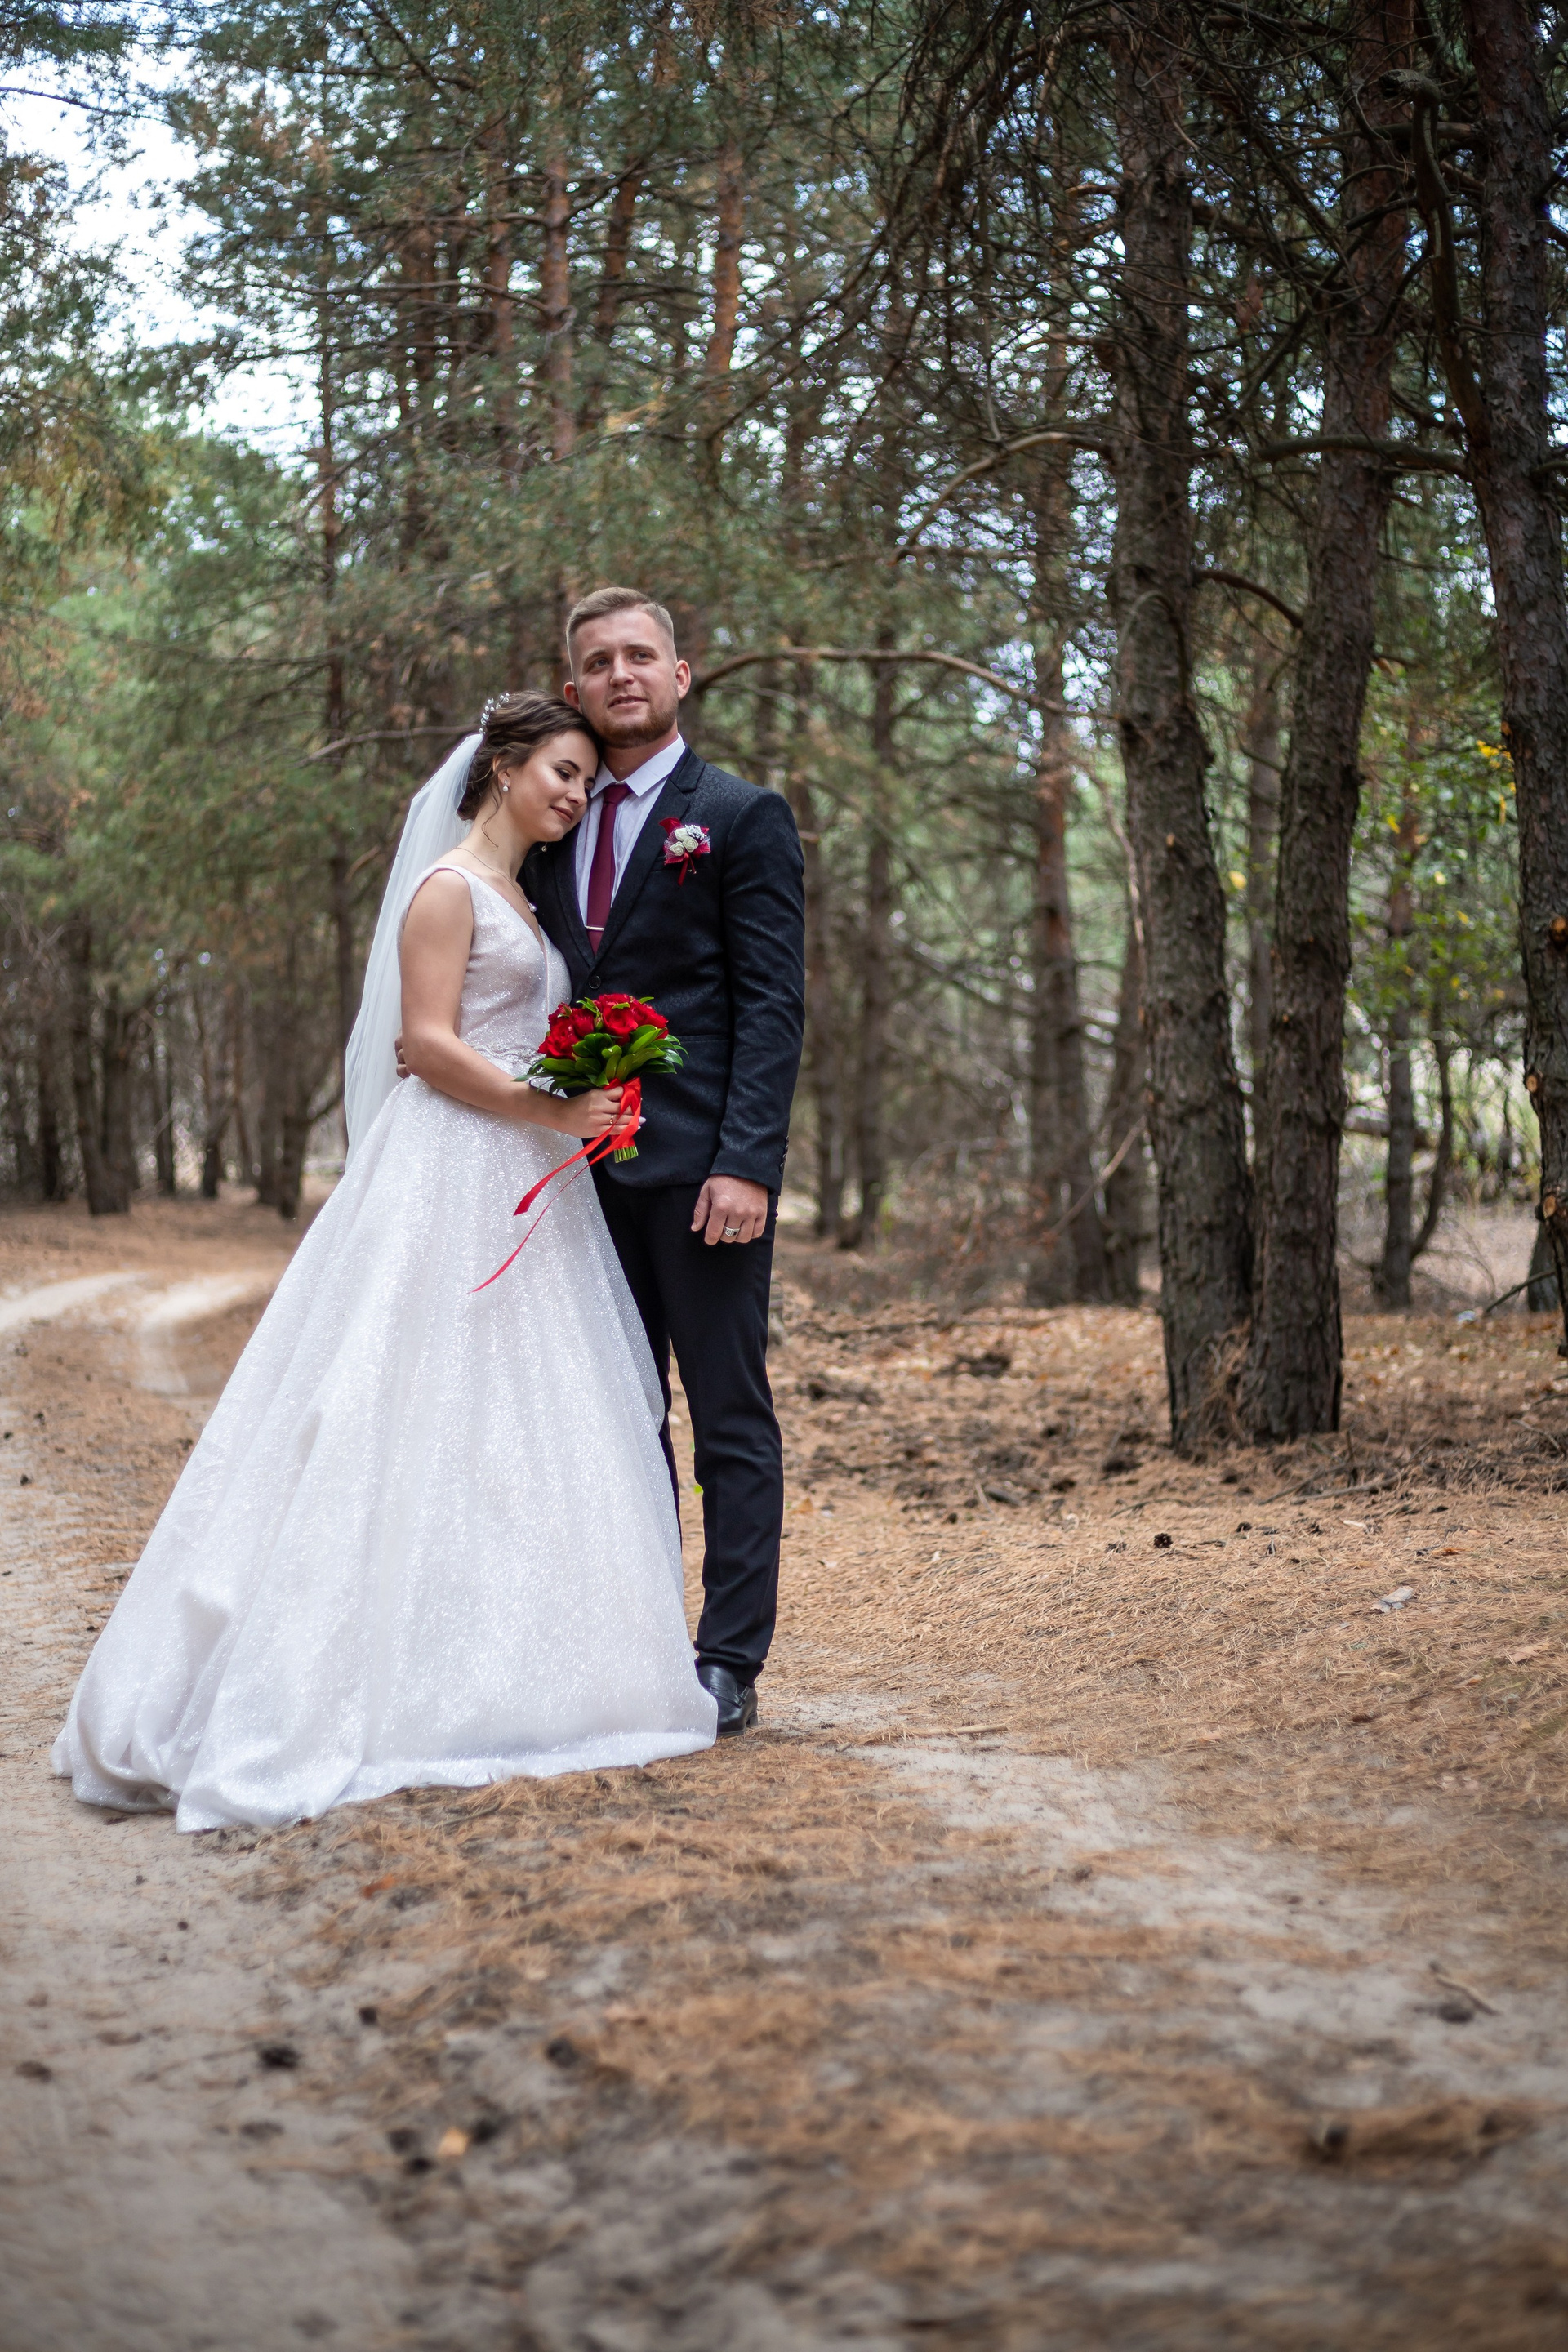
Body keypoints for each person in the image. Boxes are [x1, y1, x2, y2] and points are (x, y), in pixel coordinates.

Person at [52, 694, 717, 1833]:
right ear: (501, 769)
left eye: (583, 778)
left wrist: (577, 1093)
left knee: (523, 1418)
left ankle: (527, 1664)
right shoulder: (450, 889)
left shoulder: (523, 891)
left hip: (521, 1174)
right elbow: (429, 1044)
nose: (574, 793)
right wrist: (549, 1110)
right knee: (401, 1397)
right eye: (559, 772)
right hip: (452, 1164)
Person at [529, 585, 807, 1736]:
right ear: (574, 688)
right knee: (613, 1415)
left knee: (726, 1416)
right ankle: (634, 1643)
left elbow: (771, 1004)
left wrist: (747, 1165)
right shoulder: (547, 822)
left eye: (641, 655)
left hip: (704, 1178)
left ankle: (729, 1657)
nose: (622, 674)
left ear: (679, 675)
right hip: (577, 1181)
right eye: (599, 662)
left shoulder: (738, 817)